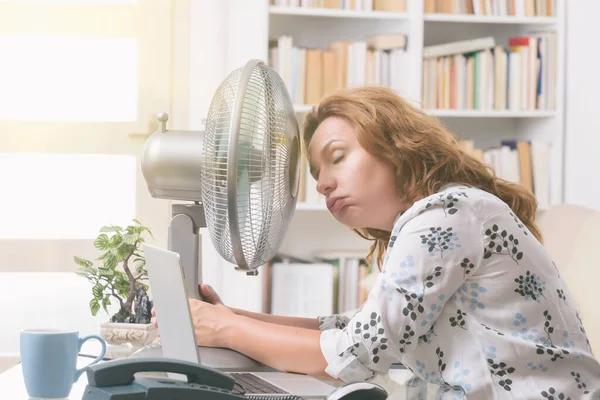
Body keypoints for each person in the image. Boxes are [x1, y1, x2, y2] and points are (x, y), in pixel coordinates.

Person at [154, 86, 600, 398]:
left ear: (395, 145)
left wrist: (228, 330)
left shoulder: (448, 214)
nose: (324, 184)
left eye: (337, 158)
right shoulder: (441, 217)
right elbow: (350, 327)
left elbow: (356, 352)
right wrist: (234, 317)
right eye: (316, 175)